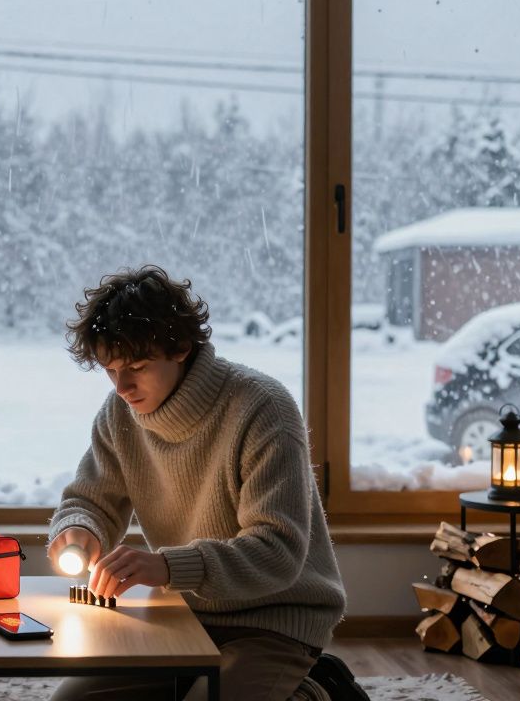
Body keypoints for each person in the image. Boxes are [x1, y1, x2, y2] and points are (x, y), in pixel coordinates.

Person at [46, 266, 365, 701]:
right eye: (110, 370)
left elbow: (278, 552)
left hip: (275, 620)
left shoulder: (263, 408)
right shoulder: (120, 414)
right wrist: (79, 528)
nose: (122, 387)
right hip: (184, 612)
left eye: (137, 367)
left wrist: (166, 567)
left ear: (180, 347)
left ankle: (315, 690)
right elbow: (90, 500)